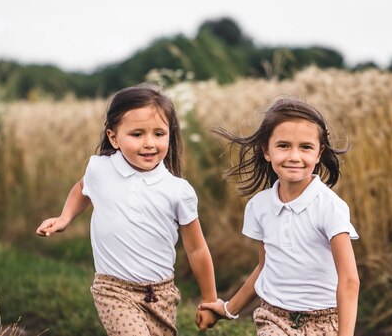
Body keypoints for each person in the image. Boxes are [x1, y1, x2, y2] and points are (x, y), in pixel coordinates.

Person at [36, 84, 218, 335]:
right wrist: (64, 218)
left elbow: (196, 248)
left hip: (161, 294)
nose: (149, 143)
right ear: (114, 137)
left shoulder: (178, 190)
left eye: (158, 133)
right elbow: (82, 188)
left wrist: (210, 300)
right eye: (137, 134)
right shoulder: (100, 169)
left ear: (170, 134)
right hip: (113, 289)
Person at [199, 98, 360, 336]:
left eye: (305, 147)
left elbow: (349, 280)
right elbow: (266, 266)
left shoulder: (330, 207)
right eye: (283, 146)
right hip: (275, 318)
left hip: (326, 321)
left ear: (319, 153)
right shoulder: (260, 206)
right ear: (266, 150)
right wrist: (228, 309)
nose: (294, 156)